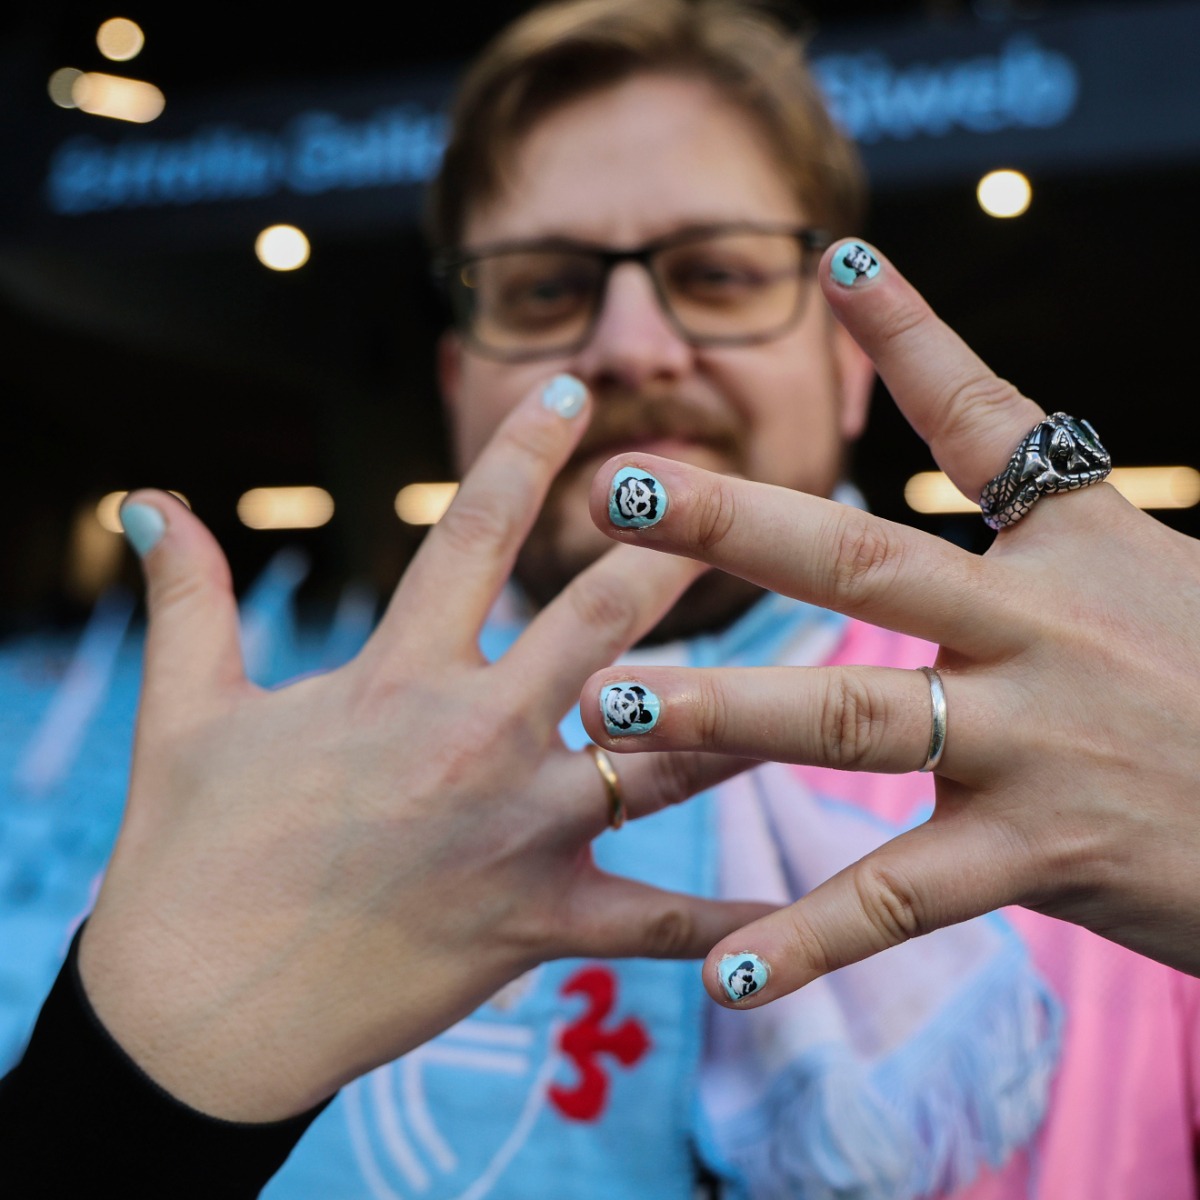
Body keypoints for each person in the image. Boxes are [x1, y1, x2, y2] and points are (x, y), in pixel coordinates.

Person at [4, 3, 1200, 1200]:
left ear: (847, 370)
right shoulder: (263, 796)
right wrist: (121, 1099)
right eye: (542, 290)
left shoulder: (1117, 743)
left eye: (718, 274)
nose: (632, 345)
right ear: (459, 382)